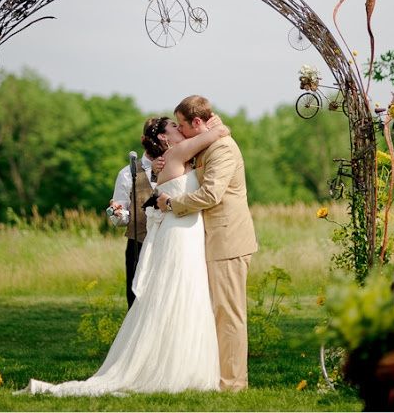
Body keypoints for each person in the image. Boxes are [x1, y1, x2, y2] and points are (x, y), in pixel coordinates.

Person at [13, 114, 230, 397]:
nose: (179, 129)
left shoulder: (185, 156)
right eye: (174, 127)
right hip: (142, 240)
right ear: (164, 137)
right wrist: (118, 213)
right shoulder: (130, 172)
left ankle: (170, 357)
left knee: (174, 296)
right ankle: (150, 359)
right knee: (144, 302)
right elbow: (123, 212)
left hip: (173, 236)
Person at [157, 95, 258, 392]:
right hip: (212, 240)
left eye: (182, 125)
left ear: (197, 122)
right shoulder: (208, 143)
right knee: (216, 312)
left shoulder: (223, 149)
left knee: (229, 314)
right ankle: (217, 375)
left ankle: (233, 383)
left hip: (228, 240)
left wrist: (172, 204)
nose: (179, 129)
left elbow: (211, 195)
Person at [108, 119, 164, 309]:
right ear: (144, 139)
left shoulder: (178, 167)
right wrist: (117, 214)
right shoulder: (126, 173)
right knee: (137, 301)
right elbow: (123, 219)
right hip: (138, 246)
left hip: (168, 242)